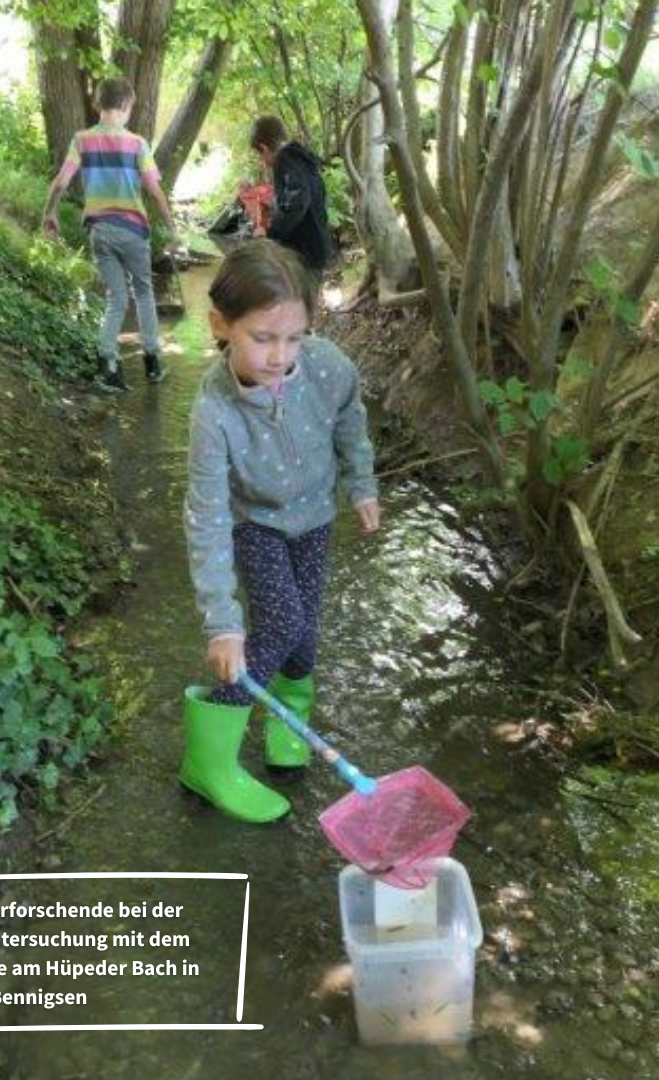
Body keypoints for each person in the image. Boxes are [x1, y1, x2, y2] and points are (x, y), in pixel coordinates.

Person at [181, 240, 380, 823]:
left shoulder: (325, 366)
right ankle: (208, 761)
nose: (280, 356)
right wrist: (222, 623)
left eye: (293, 337)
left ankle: (287, 724)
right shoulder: (213, 414)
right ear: (220, 325)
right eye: (262, 338)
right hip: (256, 524)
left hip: (315, 516)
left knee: (304, 632)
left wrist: (361, 483)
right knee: (280, 622)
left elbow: (351, 418)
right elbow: (207, 514)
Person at [42, 76, 176, 393]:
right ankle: (153, 363)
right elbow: (155, 191)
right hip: (133, 231)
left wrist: (49, 214)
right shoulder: (137, 144)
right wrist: (171, 227)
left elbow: (60, 182)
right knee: (144, 294)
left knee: (116, 299)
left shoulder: (82, 140)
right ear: (127, 106)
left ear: (97, 104)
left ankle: (109, 367)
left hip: (100, 231)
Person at [249, 116, 333, 294]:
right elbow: (304, 197)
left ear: (264, 148)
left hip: (304, 254)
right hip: (315, 247)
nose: (261, 160)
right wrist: (273, 204)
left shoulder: (285, 160)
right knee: (303, 307)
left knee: (299, 307)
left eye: (259, 155)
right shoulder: (301, 158)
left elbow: (298, 200)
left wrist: (270, 231)